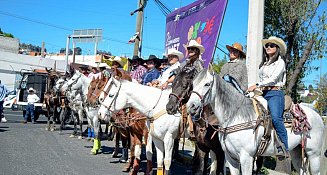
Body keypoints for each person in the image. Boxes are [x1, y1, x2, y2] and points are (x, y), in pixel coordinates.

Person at [247, 36, 289, 158]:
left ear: (277, 48)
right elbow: (262, 80)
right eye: (267, 45)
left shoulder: (280, 62)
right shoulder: (264, 63)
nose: (268, 47)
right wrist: (252, 88)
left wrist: (256, 85)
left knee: (276, 118)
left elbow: (273, 79)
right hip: (262, 93)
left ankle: (283, 147)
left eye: (272, 45)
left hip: (275, 93)